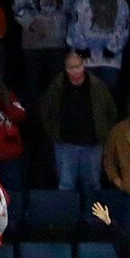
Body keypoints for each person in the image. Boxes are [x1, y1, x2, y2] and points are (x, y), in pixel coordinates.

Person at [39, 48, 116, 197]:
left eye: (78, 67)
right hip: (65, 145)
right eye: (70, 68)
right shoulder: (57, 86)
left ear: (84, 66)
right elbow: (45, 111)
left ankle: (93, 219)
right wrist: (54, 134)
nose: (75, 71)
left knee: (93, 186)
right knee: (66, 186)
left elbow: (111, 111)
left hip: (92, 146)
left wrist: (103, 134)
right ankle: (66, 219)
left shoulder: (97, 85)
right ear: (65, 68)